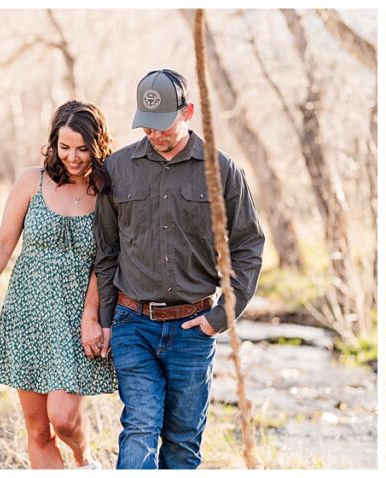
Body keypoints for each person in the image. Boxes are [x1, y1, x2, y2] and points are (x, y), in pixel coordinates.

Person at [94, 69, 265, 469]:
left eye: (163, 124)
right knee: (139, 425)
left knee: (183, 440)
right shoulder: (118, 169)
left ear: (187, 111)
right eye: (146, 125)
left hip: (193, 328)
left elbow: (248, 247)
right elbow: (105, 252)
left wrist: (219, 318)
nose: (154, 133)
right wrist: (105, 320)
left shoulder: (222, 170)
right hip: (131, 323)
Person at [0, 100, 118, 469]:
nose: (73, 157)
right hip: (28, 312)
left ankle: (84, 461)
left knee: (63, 417)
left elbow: (107, 259)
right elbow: (3, 242)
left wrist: (92, 313)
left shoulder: (107, 191)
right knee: (37, 429)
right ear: (54, 143)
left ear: (98, 146)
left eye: (83, 148)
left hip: (76, 316)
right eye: (65, 147)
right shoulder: (31, 181)